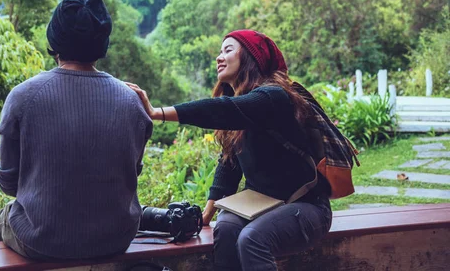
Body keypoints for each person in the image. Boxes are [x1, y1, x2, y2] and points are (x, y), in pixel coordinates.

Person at [127, 30, 332, 271]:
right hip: (263, 204)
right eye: (219, 51)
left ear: (250, 58)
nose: (219, 57)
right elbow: (228, 168)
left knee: (253, 238)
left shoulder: (274, 97)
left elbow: (223, 110)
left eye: (228, 50)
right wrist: (206, 215)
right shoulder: (240, 112)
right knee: (224, 228)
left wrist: (157, 112)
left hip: (308, 206)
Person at [0, 0, 153, 260]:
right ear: (102, 42)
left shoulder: (23, 96)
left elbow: (9, 184)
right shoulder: (133, 101)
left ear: (54, 38)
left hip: (43, 241)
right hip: (117, 238)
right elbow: (131, 175)